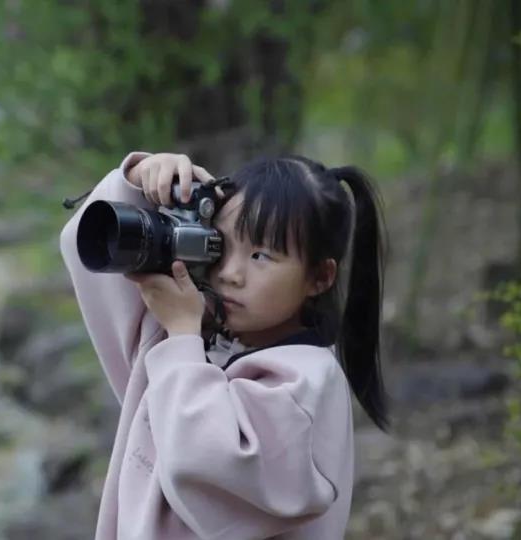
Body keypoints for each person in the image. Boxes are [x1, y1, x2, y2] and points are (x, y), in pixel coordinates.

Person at [59, 151, 390, 539]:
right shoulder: (195, 338)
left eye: (260, 255)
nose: (230, 273)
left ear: (319, 277)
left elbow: (202, 464)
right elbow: (93, 258)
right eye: (220, 244)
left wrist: (183, 336)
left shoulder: (304, 384)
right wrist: (138, 179)